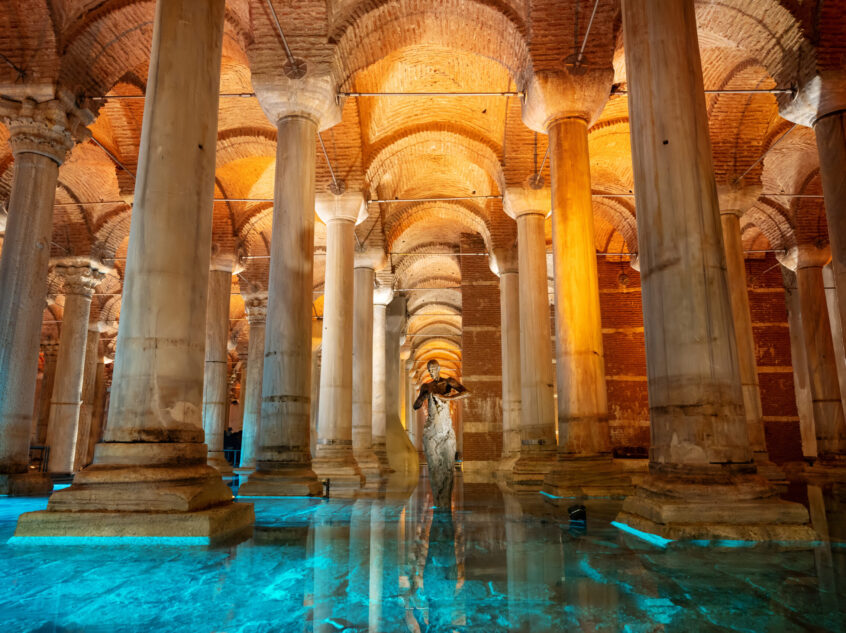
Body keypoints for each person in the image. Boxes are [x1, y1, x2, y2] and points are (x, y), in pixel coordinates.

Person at [413, 360, 470, 508]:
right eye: (429, 370)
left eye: (433, 369)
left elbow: (467, 392)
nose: (431, 372)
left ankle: (445, 502)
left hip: (446, 431)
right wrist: (423, 396)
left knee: (448, 468)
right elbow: (416, 406)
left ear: (439, 368)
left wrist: (448, 398)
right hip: (431, 431)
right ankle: (438, 501)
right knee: (434, 468)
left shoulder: (448, 382)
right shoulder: (427, 386)